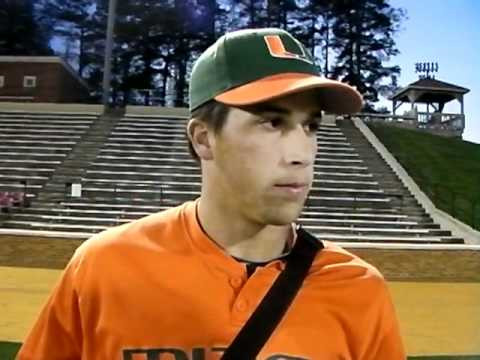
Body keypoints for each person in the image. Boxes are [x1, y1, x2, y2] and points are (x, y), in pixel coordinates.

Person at [17, 28, 405, 360]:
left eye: (310, 126)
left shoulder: (359, 290)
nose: (300, 154)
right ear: (204, 138)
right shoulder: (104, 267)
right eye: (272, 122)